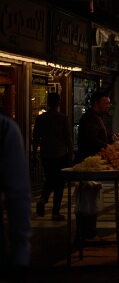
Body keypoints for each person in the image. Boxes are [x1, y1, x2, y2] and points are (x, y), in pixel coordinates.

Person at [75, 91, 111, 241]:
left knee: (92, 200)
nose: (108, 106)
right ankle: (86, 234)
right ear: (96, 103)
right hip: (88, 166)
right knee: (87, 202)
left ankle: (89, 232)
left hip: (94, 165)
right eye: (105, 103)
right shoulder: (89, 118)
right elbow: (91, 140)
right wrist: (107, 147)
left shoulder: (97, 118)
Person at [32, 92, 73, 221]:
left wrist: (34, 154)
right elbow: (68, 138)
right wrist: (71, 155)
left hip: (45, 154)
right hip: (60, 154)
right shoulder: (63, 118)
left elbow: (36, 138)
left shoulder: (41, 118)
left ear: (48, 103)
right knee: (59, 183)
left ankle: (43, 199)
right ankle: (55, 212)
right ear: (59, 102)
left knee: (50, 178)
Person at [0, 114, 31, 280]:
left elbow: (18, 196)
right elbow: (18, 195)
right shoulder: (5, 128)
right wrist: (20, 256)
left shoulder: (5, 129)